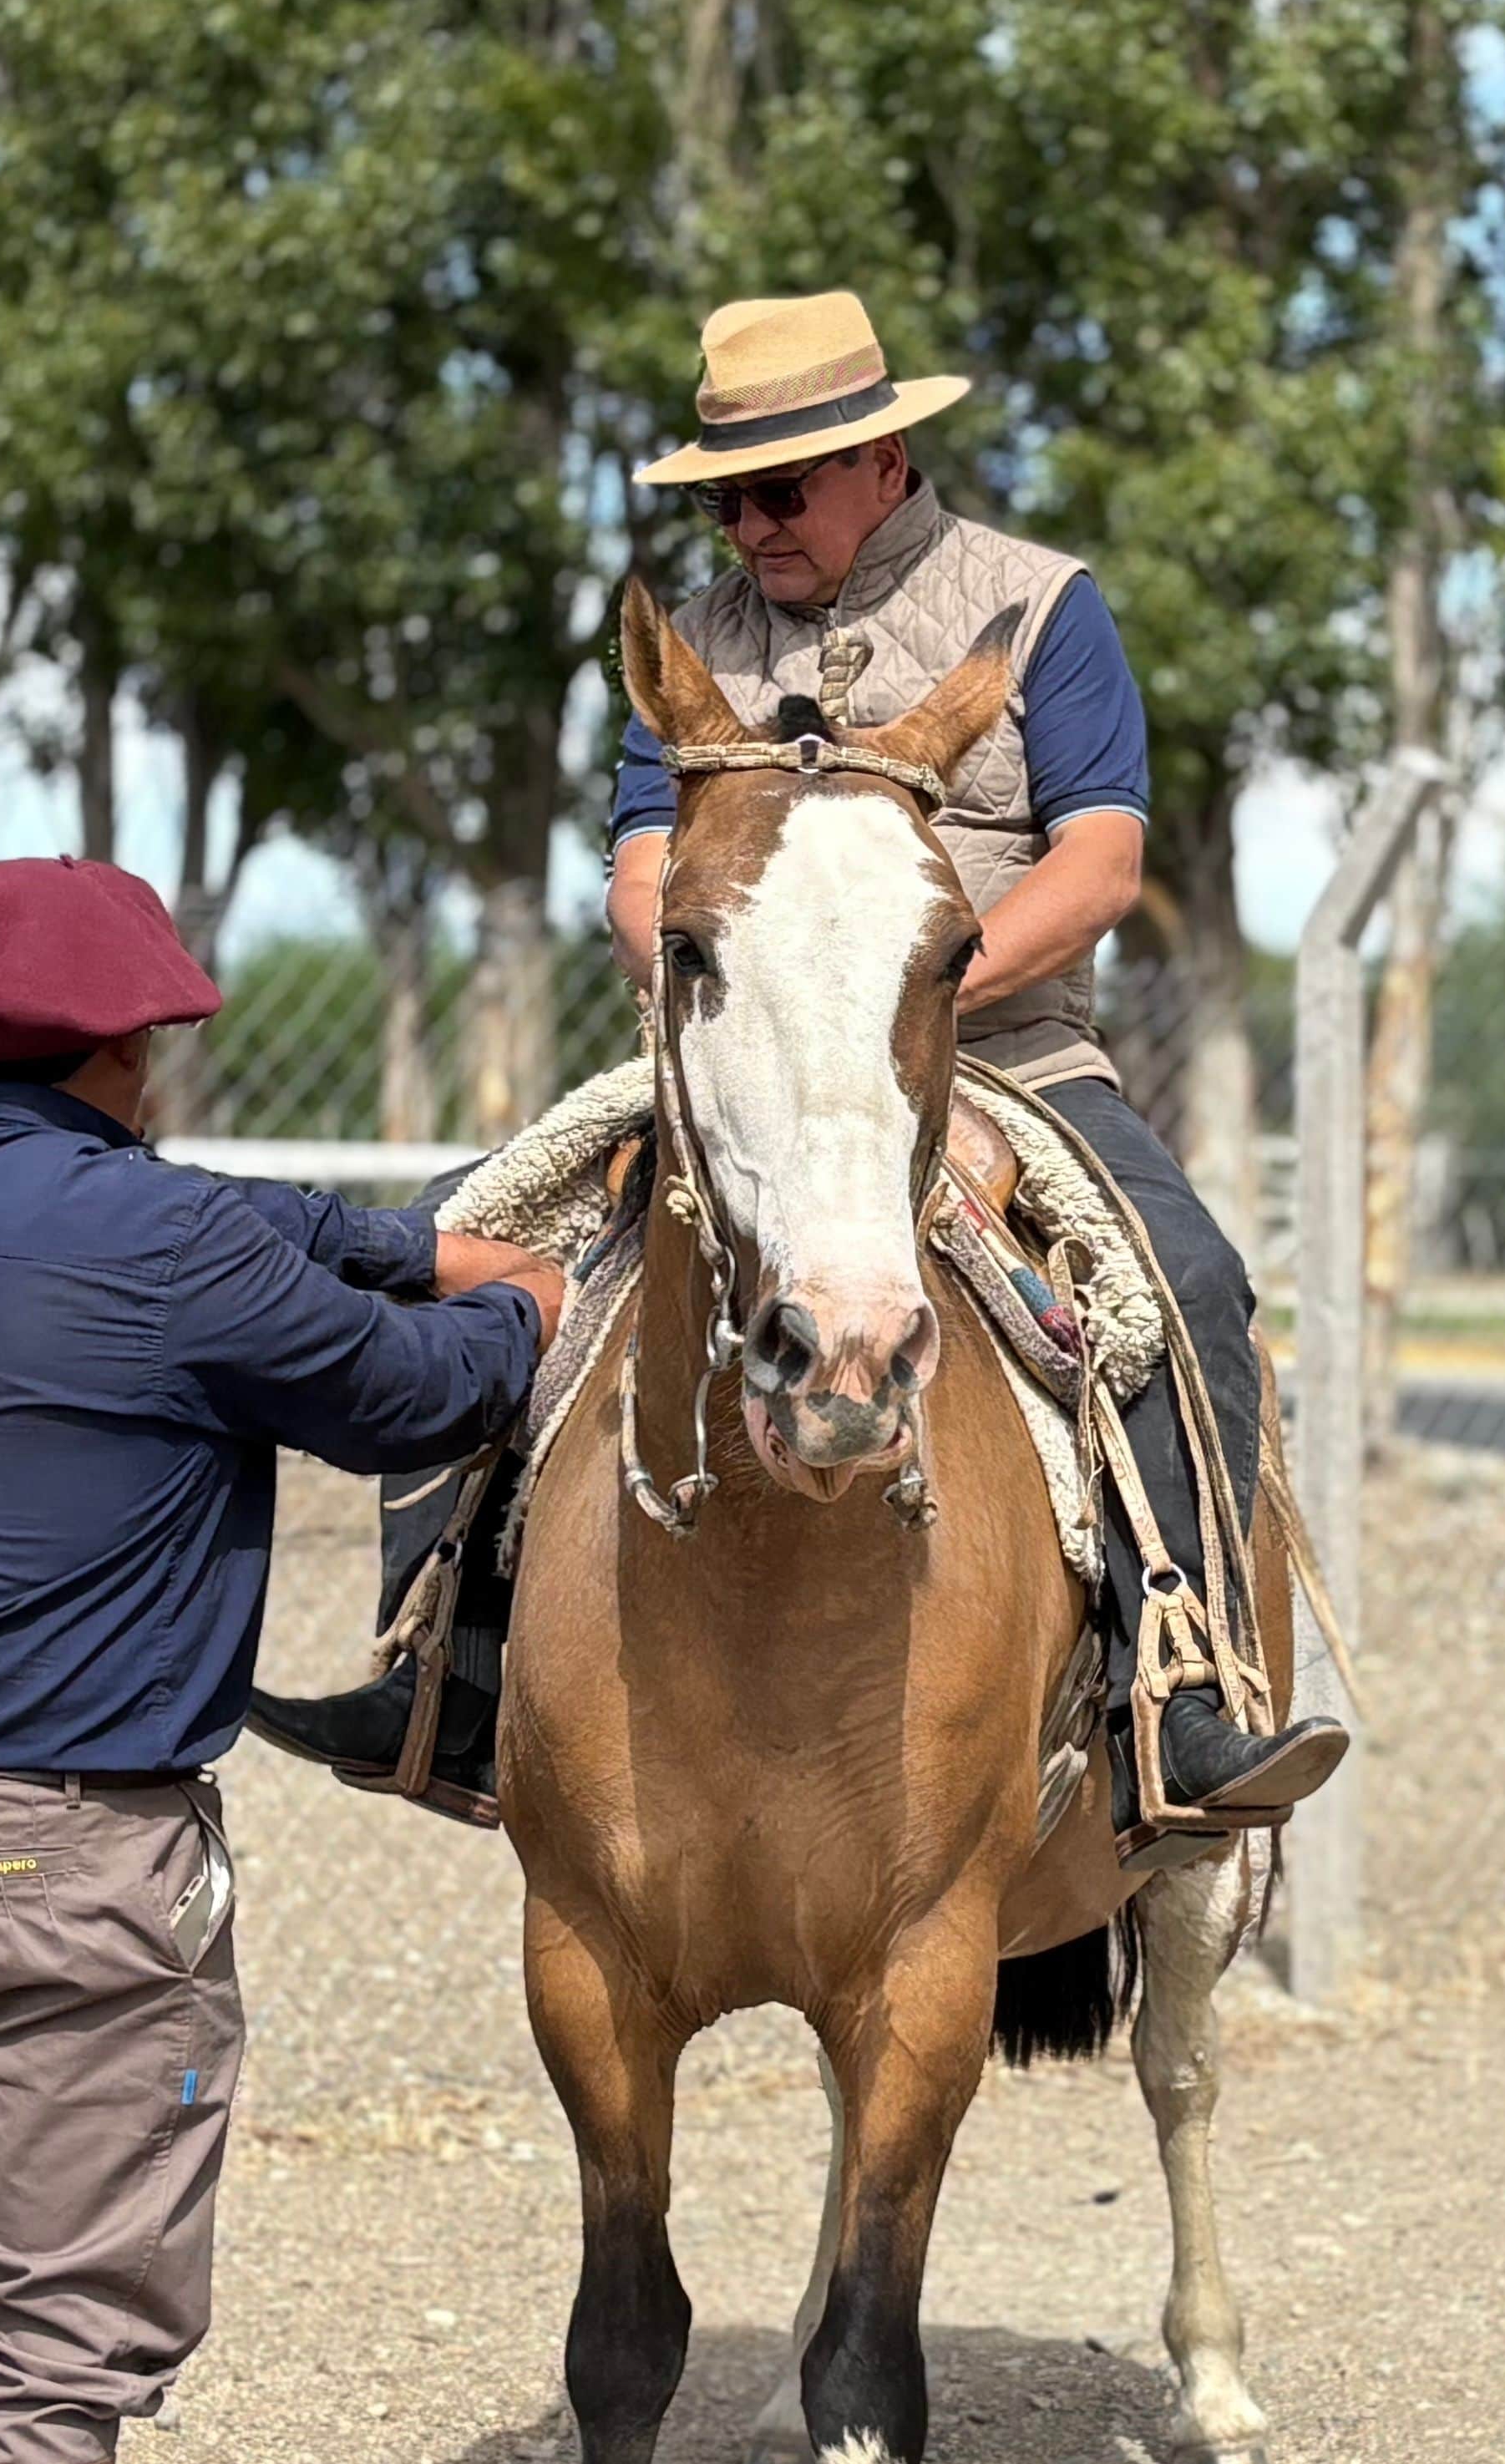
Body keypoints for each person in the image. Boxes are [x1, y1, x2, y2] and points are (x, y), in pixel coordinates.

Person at [261, 287, 1346, 1835]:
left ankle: (1183, 1697)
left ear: (884, 461)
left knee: (1189, 1284)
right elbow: (643, 874)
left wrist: (905, 1004)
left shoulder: (1041, 606)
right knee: (472, 1236)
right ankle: (449, 1669)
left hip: (1001, 1054)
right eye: (724, 494)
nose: (749, 524)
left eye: (779, 489)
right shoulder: (686, 645)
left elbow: (1101, 863)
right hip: (735, 1058)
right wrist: (740, 1010)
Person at [0, 856, 565, 2464]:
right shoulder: (164, 1245)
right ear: (131, 1042)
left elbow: (202, 1221)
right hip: (68, 1853)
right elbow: (411, 1399)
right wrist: (523, 1304)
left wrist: (402, 1236)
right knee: (51, 2339)